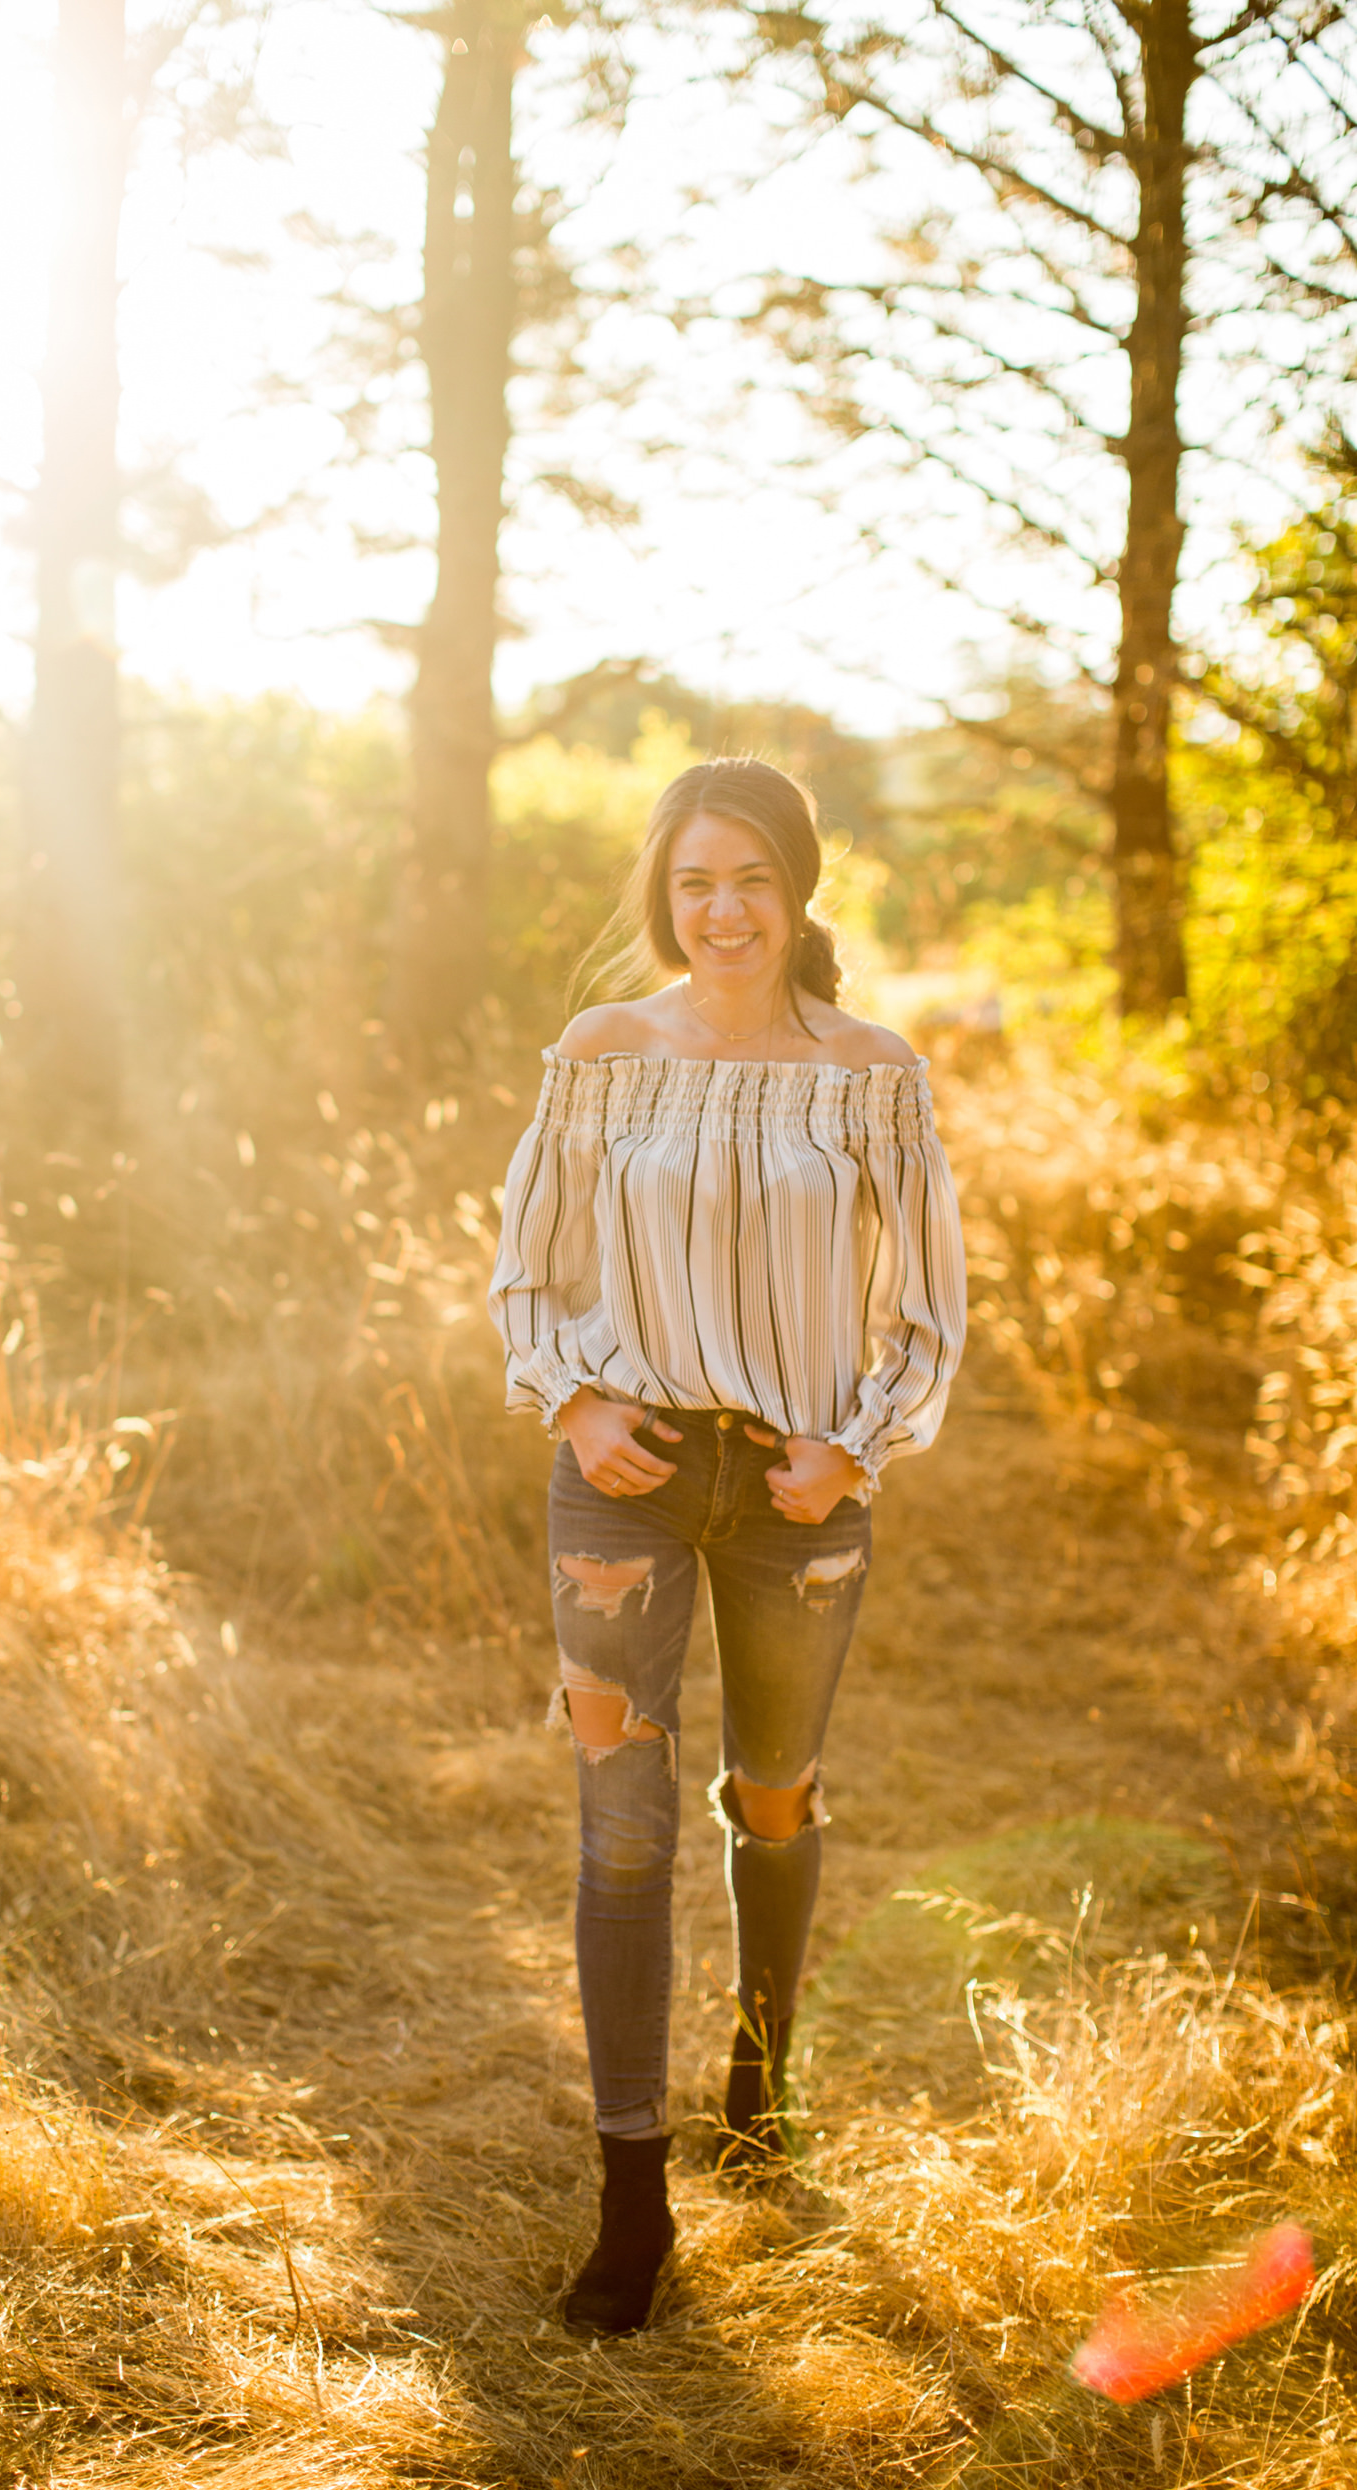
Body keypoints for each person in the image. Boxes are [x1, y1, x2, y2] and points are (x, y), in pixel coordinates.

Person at [487, 757, 968, 2336]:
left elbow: (931, 1304)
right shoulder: (603, 1057)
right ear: (662, 896)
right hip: (622, 1479)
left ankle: (763, 2061)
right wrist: (572, 1406)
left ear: (799, 890)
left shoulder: (870, 1072)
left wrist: (860, 1444)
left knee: (775, 1788)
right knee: (620, 1829)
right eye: (695, 881)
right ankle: (636, 2199)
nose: (724, 910)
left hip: (795, 1490)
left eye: (752, 879)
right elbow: (527, 1267)